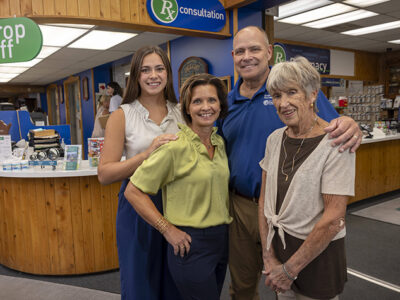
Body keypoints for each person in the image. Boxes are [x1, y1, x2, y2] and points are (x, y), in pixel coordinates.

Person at [218, 26, 362, 300]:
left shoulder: (296, 86)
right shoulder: (226, 104)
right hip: (241, 208)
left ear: (269, 52)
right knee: (242, 286)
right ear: (233, 56)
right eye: (240, 51)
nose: (247, 57)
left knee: (295, 285)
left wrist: (351, 123)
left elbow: (333, 127)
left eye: (255, 49)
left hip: (295, 213)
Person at [124, 73, 231, 300]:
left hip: (220, 240)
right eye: (197, 101)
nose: (206, 107)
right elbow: (133, 191)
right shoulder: (174, 147)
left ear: (220, 105)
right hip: (190, 244)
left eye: (212, 100)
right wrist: (167, 229)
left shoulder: (219, 143)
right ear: (187, 108)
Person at [259, 56, 355, 299]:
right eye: (277, 96)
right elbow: (264, 202)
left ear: (313, 95)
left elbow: (334, 219)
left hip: (317, 258)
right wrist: (268, 256)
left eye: (292, 92)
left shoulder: (335, 142)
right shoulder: (274, 139)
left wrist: (289, 271)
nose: (283, 103)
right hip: (280, 251)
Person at [97, 46, 182, 300]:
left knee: (174, 283)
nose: (153, 75)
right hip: (137, 205)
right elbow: (105, 173)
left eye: (159, 69)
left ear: (167, 74)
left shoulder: (181, 111)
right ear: (135, 76)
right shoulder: (122, 115)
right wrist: (146, 154)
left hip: (177, 203)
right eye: (145, 70)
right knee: (139, 285)